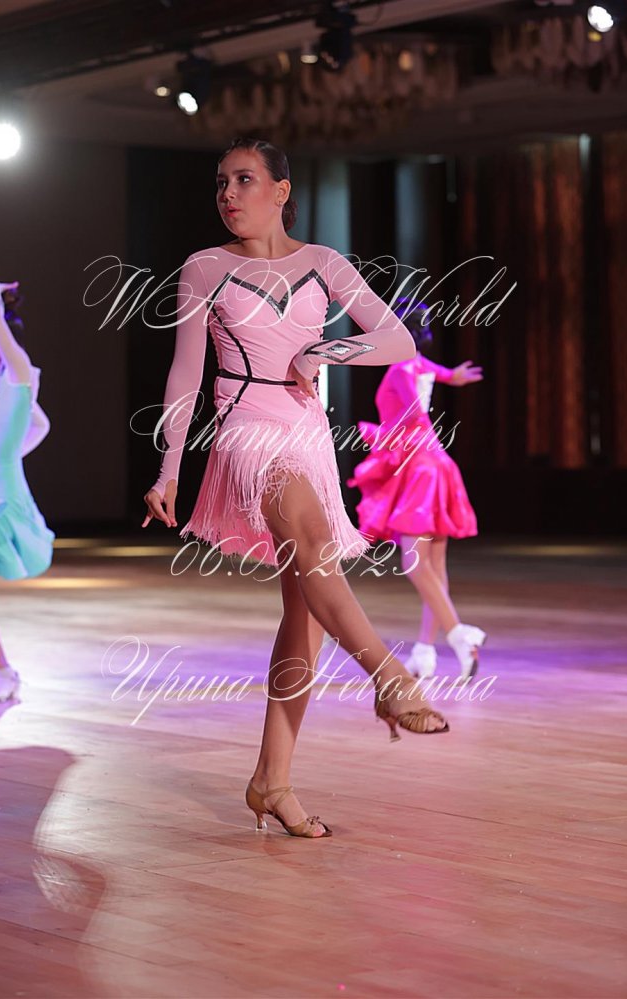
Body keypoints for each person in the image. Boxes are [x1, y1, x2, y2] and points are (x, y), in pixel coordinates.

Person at [142, 137, 450, 840]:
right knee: (313, 544)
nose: (228, 193)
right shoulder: (204, 267)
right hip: (245, 429)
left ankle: (271, 780)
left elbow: (398, 340)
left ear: (281, 190)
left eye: (244, 179)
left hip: (307, 435)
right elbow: (186, 372)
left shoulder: (325, 263)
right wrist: (169, 466)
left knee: (304, 614)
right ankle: (391, 679)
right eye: (221, 182)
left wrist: (325, 349)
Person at [347, 299, 486, 682]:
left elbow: (415, 417)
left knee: (414, 561)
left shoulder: (400, 369)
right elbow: (443, 375)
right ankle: (425, 652)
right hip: (436, 463)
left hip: (420, 466)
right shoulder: (418, 363)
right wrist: (455, 376)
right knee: (434, 569)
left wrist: (379, 435)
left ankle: (458, 634)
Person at [0, 281, 54, 703]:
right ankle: (2, 671)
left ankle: (3, 671)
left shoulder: (19, 372)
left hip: (0, 501)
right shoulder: (1, 385)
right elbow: (40, 425)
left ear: (0, 342)